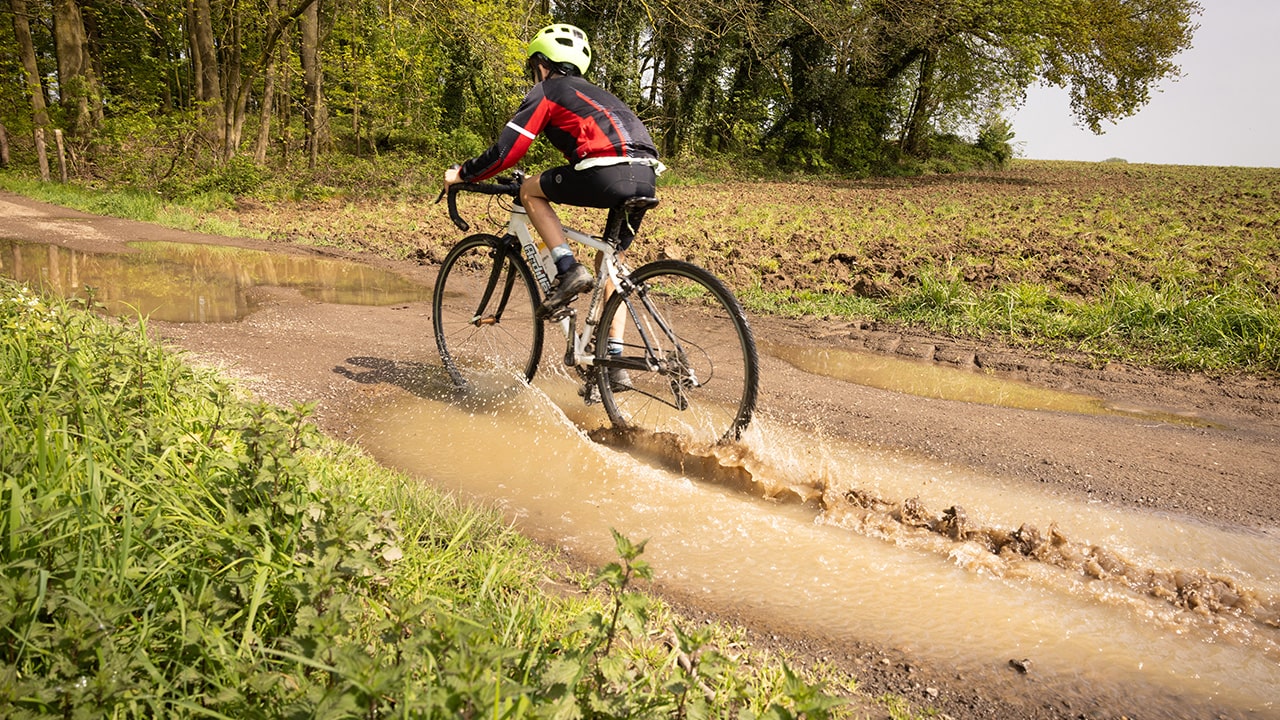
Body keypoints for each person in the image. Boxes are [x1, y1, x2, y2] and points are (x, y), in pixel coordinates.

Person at [442, 23, 662, 324]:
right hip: (647, 176)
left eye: (534, 66)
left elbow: (507, 152)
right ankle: (614, 362)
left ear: (541, 64)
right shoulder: (601, 95)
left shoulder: (547, 90)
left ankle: (568, 268)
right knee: (611, 263)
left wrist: (464, 173)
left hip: (606, 171)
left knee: (529, 190)